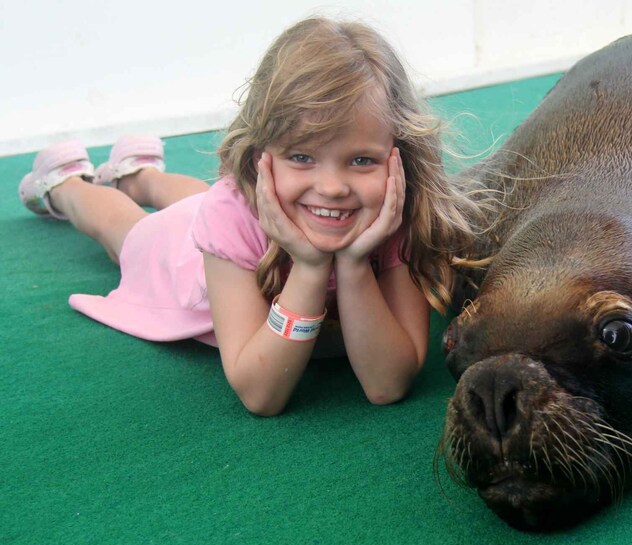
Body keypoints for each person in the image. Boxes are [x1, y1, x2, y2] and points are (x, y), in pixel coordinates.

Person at [17, 17, 490, 416]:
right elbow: (260, 394)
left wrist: (350, 264)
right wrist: (308, 267)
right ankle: (67, 185)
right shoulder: (231, 212)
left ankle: (140, 174)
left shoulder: (391, 210)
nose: (332, 187)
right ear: (260, 155)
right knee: (128, 232)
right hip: (183, 256)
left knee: (202, 200)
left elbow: (386, 385)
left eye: (361, 160)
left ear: (398, 156)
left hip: (231, 214)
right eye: (302, 157)